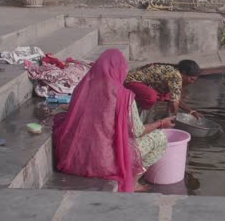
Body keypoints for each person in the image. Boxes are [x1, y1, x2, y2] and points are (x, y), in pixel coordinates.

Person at [52, 49, 175, 192]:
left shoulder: (81, 88)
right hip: (105, 162)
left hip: (73, 158)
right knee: (159, 138)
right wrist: (161, 123)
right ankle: (134, 183)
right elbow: (138, 132)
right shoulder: (124, 96)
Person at [124, 60, 202, 117]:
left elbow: (176, 99)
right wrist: (174, 119)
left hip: (143, 83)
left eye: (194, 80)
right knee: (151, 97)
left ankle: (149, 118)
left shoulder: (175, 73)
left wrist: (191, 111)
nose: (192, 82)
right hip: (130, 81)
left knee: (168, 95)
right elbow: (175, 103)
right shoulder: (176, 76)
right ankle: (139, 122)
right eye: (191, 79)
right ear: (184, 73)